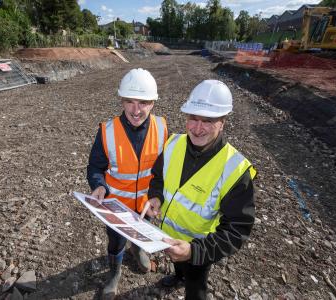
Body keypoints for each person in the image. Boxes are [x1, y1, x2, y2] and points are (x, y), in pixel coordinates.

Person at [146, 80, 256, 300]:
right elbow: (158, 177)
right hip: (168, 236)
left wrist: (194, 252)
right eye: (193, 119)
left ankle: (188, 281)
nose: (197, 129)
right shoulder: (173, 143)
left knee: (195, 288)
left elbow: (237, 229)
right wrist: (156, 197)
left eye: (208, 121)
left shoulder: (235, 169)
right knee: (178, 266)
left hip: (200, 249)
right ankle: (178, 277)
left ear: (223, 122)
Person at [87, 68, 168, 299]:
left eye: (143, 102)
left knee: (141, 234)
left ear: (152, 102)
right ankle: (114, 274)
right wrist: (98, 185)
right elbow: (95, 167)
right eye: (129, 101)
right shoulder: (107, 131)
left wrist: (157, 195)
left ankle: (138, 248)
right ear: (121, 100)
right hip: (116, 206)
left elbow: (162, 171)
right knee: (115, 241)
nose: (136, 110)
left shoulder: (162, 129)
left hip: (146, 205)